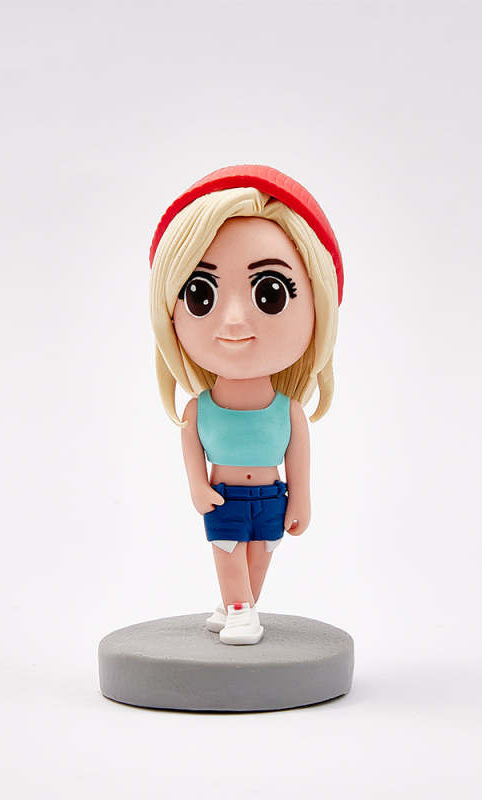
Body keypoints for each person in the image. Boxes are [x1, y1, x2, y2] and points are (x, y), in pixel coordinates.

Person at [149, 165, 343, 644]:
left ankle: (237, 604)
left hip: (272, 495)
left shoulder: (288, 410)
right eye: (201, 293)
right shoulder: (199, 410)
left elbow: (298, 459)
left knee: (261, 553)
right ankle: (239, 609)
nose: (234, 321)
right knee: (227, 549)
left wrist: (301, 497)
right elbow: (191, 451)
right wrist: (198, 487)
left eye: (269, 293)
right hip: (224, 495)